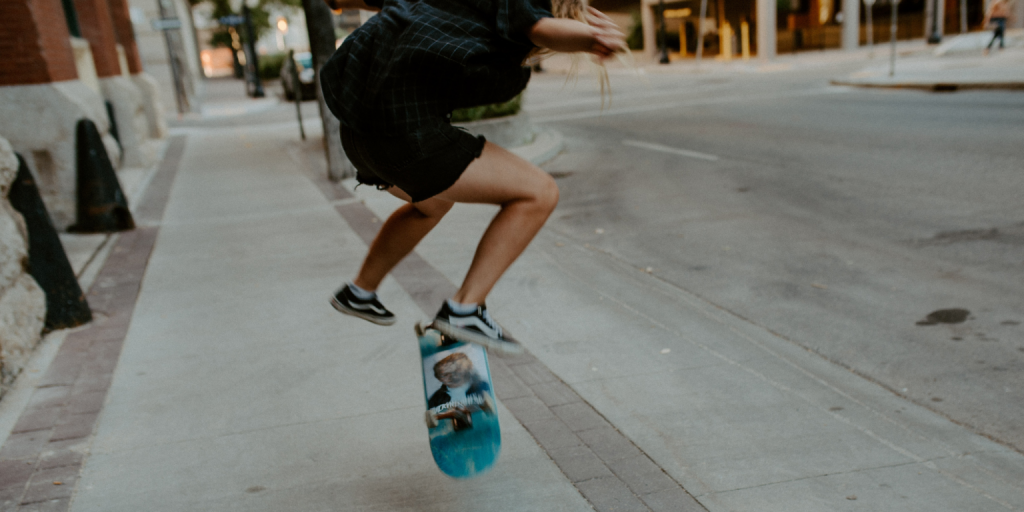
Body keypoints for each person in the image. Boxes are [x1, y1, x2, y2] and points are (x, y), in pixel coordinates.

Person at [321, 0, 626, 353]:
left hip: (359, 134)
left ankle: (360, 290)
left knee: (430, 205)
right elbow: (541, 27)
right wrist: (593, 37)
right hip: (404, 133)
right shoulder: (526, 7)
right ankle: (464, 309)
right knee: (538, 193)